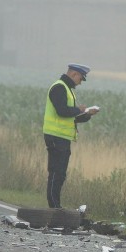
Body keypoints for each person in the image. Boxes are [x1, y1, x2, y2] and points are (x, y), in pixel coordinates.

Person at [43, 63, 98, 208]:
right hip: (56, 137)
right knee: (56, 173)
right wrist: (77, 109)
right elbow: (62, 111)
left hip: (63, 137)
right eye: (81, 78)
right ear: (74, 74)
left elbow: (71, 117)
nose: (81, 82)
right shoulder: (59, 87)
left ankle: (55, 206)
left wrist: (87, 114)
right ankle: (54, 207)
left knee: (60, 174)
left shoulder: (67, 89)